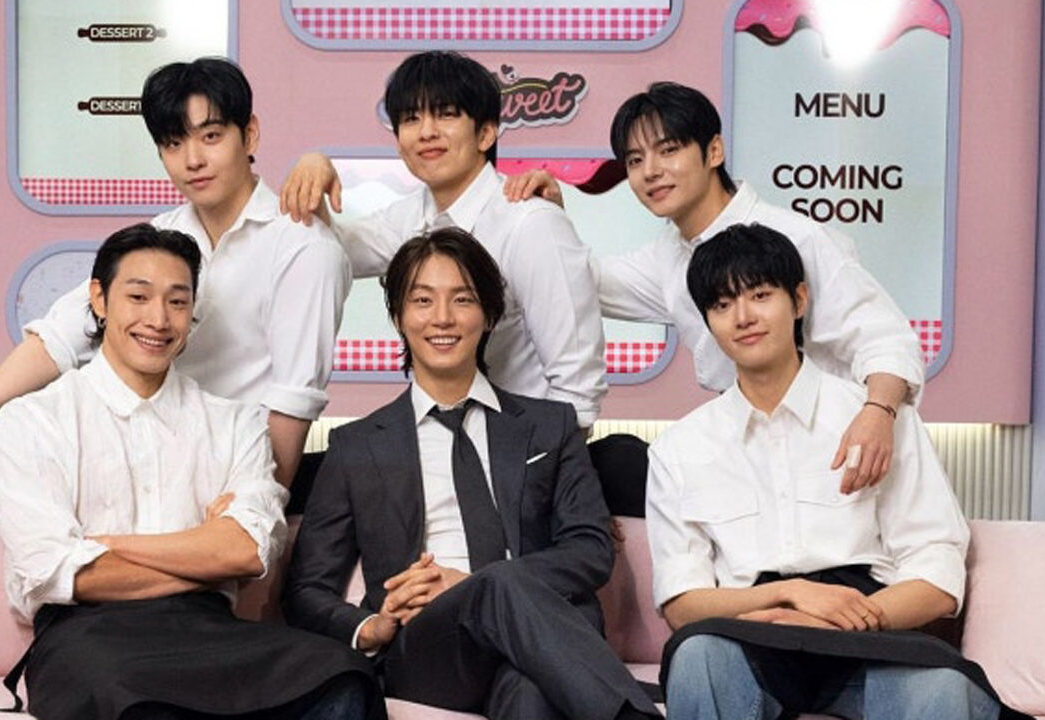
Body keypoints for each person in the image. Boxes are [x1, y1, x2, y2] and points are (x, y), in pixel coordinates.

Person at [0, 224, 382, 720]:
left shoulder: (235, 424)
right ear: (99, 299)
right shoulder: (32, 419)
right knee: (128, 699)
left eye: (177, 302)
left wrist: (107, 545)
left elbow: (247, 551)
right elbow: (57, 573)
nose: (158, 319)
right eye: (138, 297)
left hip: (209, 630)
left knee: (343, 676)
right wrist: (203, 553)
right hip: (85, 636)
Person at [0, 57, 350, 514]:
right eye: (173, 143)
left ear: (249, 135)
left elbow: (292, 402)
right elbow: (59, 337)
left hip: (225, 461)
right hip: (137, 443)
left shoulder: (303, 246)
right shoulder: (164, 236)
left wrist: (257, 512)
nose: (193, 160)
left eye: (211, 137)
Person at [283, 228, 659, 720]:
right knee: (498, 586)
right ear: (398, 317)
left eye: (462, 299)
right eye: (423, 300)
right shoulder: (357, 446)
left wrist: (474, 582)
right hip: (428, 646)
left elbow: (590, 549)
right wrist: (370, 626)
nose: (442, 317)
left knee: (530, 692)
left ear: (489, 315)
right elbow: (305, 591)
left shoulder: (549, 426)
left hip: (540, 637)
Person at [646, 223, 1016, 720]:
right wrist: (790, 595)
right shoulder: (679, 447)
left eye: (760, 295)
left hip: (870, 634)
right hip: (751, 635)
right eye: (722, 305)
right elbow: (681, 604)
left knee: (946, 690)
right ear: (708, 322)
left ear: (799, 300)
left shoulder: (876, 419)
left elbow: (937, 573)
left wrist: (843, 620)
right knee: (697, 658)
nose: (743, 317)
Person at [505, 82, 923, 493]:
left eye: (669, 150)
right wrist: (550, 222)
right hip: (752, 447)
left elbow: (885, 339)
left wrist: (877, 415)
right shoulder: (671, 256)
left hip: (842, 446)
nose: (650, 171)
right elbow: (578, 280)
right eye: (635, 160)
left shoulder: (798, 238)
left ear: (714, 151)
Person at [279, 50, 606, 431]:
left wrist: (548, 461)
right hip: (441, 440)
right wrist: (314, 165)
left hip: (525, 444)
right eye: (411, 118)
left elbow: (578, 386)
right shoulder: (410, 217)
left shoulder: (530, 223)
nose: (426, 132)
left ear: (486, 133)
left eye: (446, 114)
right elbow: (327, 251)